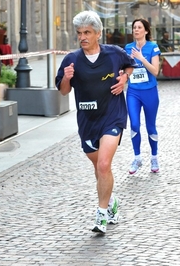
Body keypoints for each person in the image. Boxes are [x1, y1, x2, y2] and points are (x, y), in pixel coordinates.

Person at [55, 10, 136, 234]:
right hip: (88, 120)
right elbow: (63, 92)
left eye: (87, 32)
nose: (83, 37)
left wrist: (124, 79)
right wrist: (67, 78)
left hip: (113, 115)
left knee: (103, 165)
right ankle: (111, 201)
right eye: (80, 33)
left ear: (98, 33)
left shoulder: (114, 54)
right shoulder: (71, 59)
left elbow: (129, 65)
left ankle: (101, 215)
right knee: (100, 167)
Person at [124, 19, 161, 175]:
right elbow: (126, 68)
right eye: (134, 27)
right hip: (133, 91)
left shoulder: (153, 47)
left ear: (146, 31)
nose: (136, 30)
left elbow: (155, 71)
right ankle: (137, 157)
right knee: (134, 125)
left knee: (150, 127)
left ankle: (154, 157)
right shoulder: (127, 48)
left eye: (139, 27)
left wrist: (141, 58)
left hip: (150, 91)